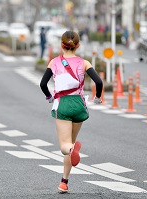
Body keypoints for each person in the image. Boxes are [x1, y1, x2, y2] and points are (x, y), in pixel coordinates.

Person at [39, 31, 103, 193]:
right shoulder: (84, 63)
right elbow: (99, 81)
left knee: (65, 147)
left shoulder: (54, 62)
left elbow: (43, 83)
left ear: (62, 45)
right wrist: (97, 97)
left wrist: (49, 97)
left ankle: (71, 152)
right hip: (79, 104)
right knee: (71, 143)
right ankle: (64, 182)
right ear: (78, 46)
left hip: (64, 104)